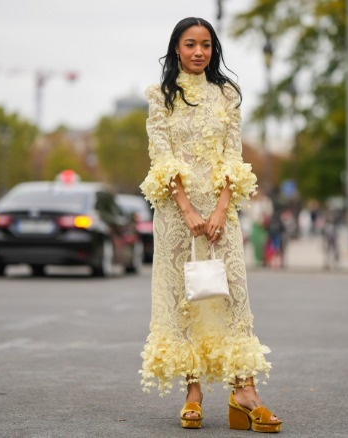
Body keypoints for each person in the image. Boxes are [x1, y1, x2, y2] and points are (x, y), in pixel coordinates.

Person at [137, 17, 282, 433]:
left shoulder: (227, 95)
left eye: (205, 45)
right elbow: (161, 159)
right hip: (175, 215)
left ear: (213, 49)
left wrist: (220, 210)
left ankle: (245, 392)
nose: (198, 52)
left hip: (221, 214)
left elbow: (233, 157)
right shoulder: (160, 96)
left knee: (232, 297)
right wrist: (186, 210)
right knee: (185, 298)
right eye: (190, 44)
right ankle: (193, 393)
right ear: (176, 49)